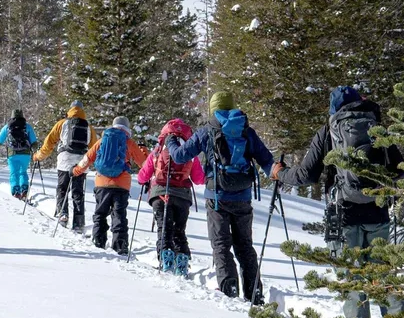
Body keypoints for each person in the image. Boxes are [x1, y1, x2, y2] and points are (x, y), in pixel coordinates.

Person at [271, 85, 404, 318]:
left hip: (342, 214)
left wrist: (280, 174)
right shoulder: (376, 128)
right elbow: (399, 168)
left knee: (351, 275)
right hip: (378, 212)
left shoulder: (329, 132)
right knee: (382, 272)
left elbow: (306, 175)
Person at [168, 91, 274, 301]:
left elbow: (180, 156)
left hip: (217, 197)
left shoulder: (207, 131)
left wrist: (171, 143)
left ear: (213, 108)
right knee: (245, 245)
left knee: (221, 244)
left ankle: (229, 289)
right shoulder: (246, 130)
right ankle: (255, 293)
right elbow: (266, 160)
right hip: (243, 196)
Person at [137, 118, 205, 277]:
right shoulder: (188, 152)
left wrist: (143, 181)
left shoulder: (158, 150)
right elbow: (198, 178)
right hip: (182, 196)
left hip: (160, 194)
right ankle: (182, 257)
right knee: (179, 230)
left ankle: (165, 256)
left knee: (164, 227)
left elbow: (143, 175)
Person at [73, 115, 148, 256]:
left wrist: (76, 171)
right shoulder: (129, 142)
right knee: (119, 215)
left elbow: (87, 158)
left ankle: (98, 242)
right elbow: (144, 163)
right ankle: (120, 246)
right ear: (127, 128)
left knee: (100, 213)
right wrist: (144, 151)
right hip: (121, 185)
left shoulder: (102, 141)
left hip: (102, 183)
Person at [32, 101, 93, 231]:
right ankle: (79, 222)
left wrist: (39, 156)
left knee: (62, 188)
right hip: (81, 162)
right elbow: (95, 147)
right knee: (78, 192)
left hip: (65, 161)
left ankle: (62, 214)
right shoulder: (88, 126)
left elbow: (49, 143)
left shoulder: (62, 123)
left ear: (70, 109)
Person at [0, 109, 38, 200]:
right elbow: (34, 142)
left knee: (14, 173)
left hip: (12, 153)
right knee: (23, 172)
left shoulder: (7, 127)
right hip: (25, 154)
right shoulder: (27, 126)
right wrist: (35, 150)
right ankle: (24, 191)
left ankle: (16, 192)